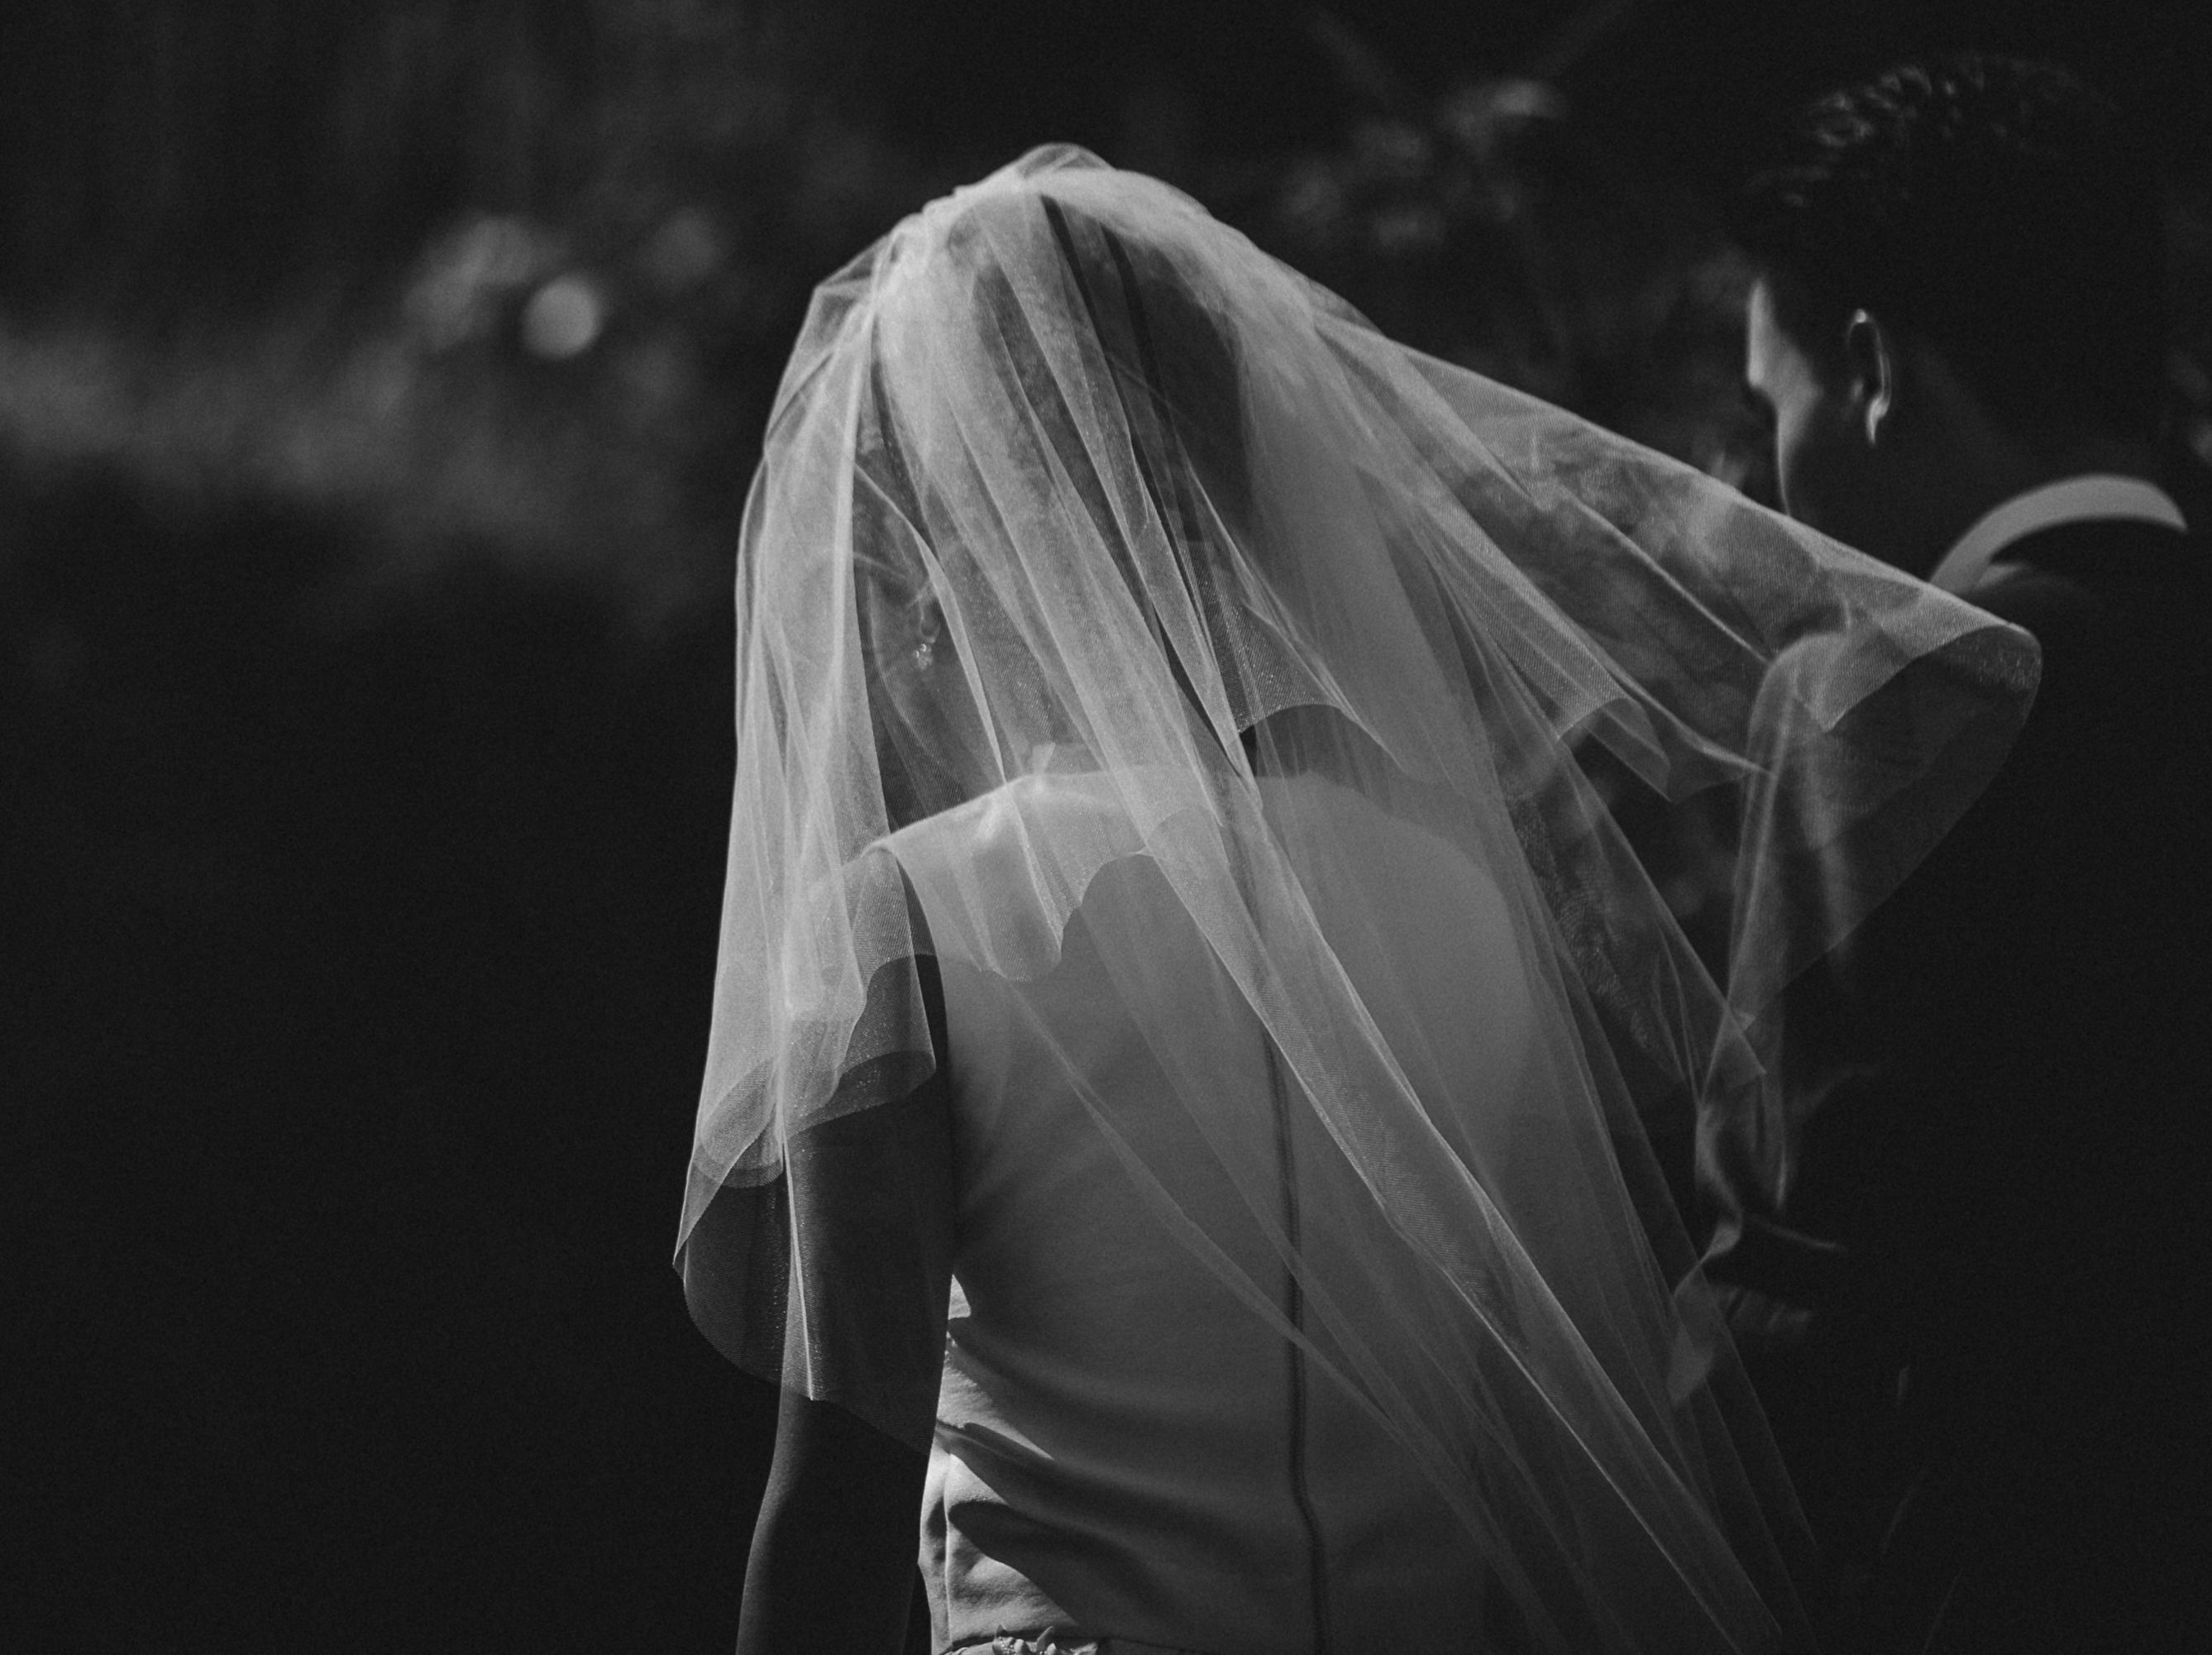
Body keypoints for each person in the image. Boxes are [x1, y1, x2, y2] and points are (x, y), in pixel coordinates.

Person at [679, 147, 2037, 1654]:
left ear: (963, 520)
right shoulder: (1454, 899)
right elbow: (1540, 1439)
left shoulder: (922, 924)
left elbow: (838, 1509)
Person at [1724, 53, 2212, 1651]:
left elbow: (1811, 1270)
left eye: (1772, 402)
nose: (1770, 465)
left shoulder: (1889, 707)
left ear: (1871, 367)